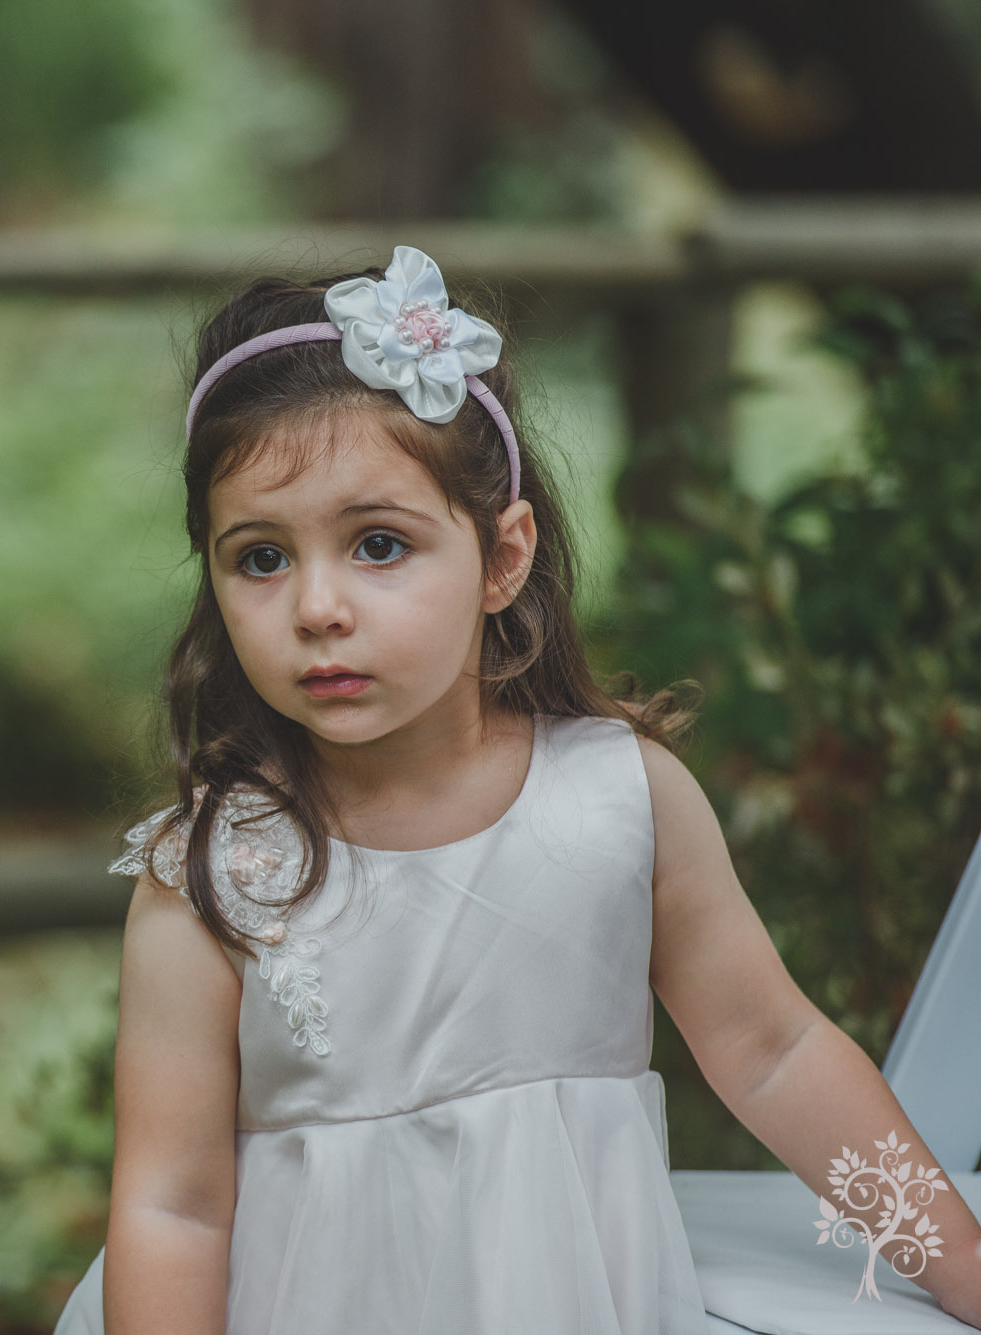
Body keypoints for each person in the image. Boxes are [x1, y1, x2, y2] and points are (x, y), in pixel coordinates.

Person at [51, 246, 981, 1334]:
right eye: (259, 558)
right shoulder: (209, 875)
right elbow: (174, 1205)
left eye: (378, 544)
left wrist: (959, 1264)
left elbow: (771, 1054)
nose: (315, 606)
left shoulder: (616, 803)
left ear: (500, 558)